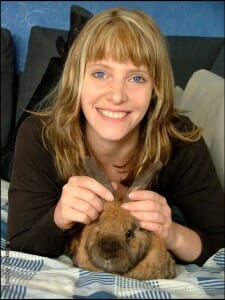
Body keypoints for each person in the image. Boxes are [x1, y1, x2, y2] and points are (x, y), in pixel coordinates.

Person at [7, 7, 224, 266]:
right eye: (100, 73)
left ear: (155, 88)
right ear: (77, 79)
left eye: (136, 78)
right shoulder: (38, 136)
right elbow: (19, 243)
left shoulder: (183, 142)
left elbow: (218, 243)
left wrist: (173, 233)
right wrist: (58, 217)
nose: (117, 95)